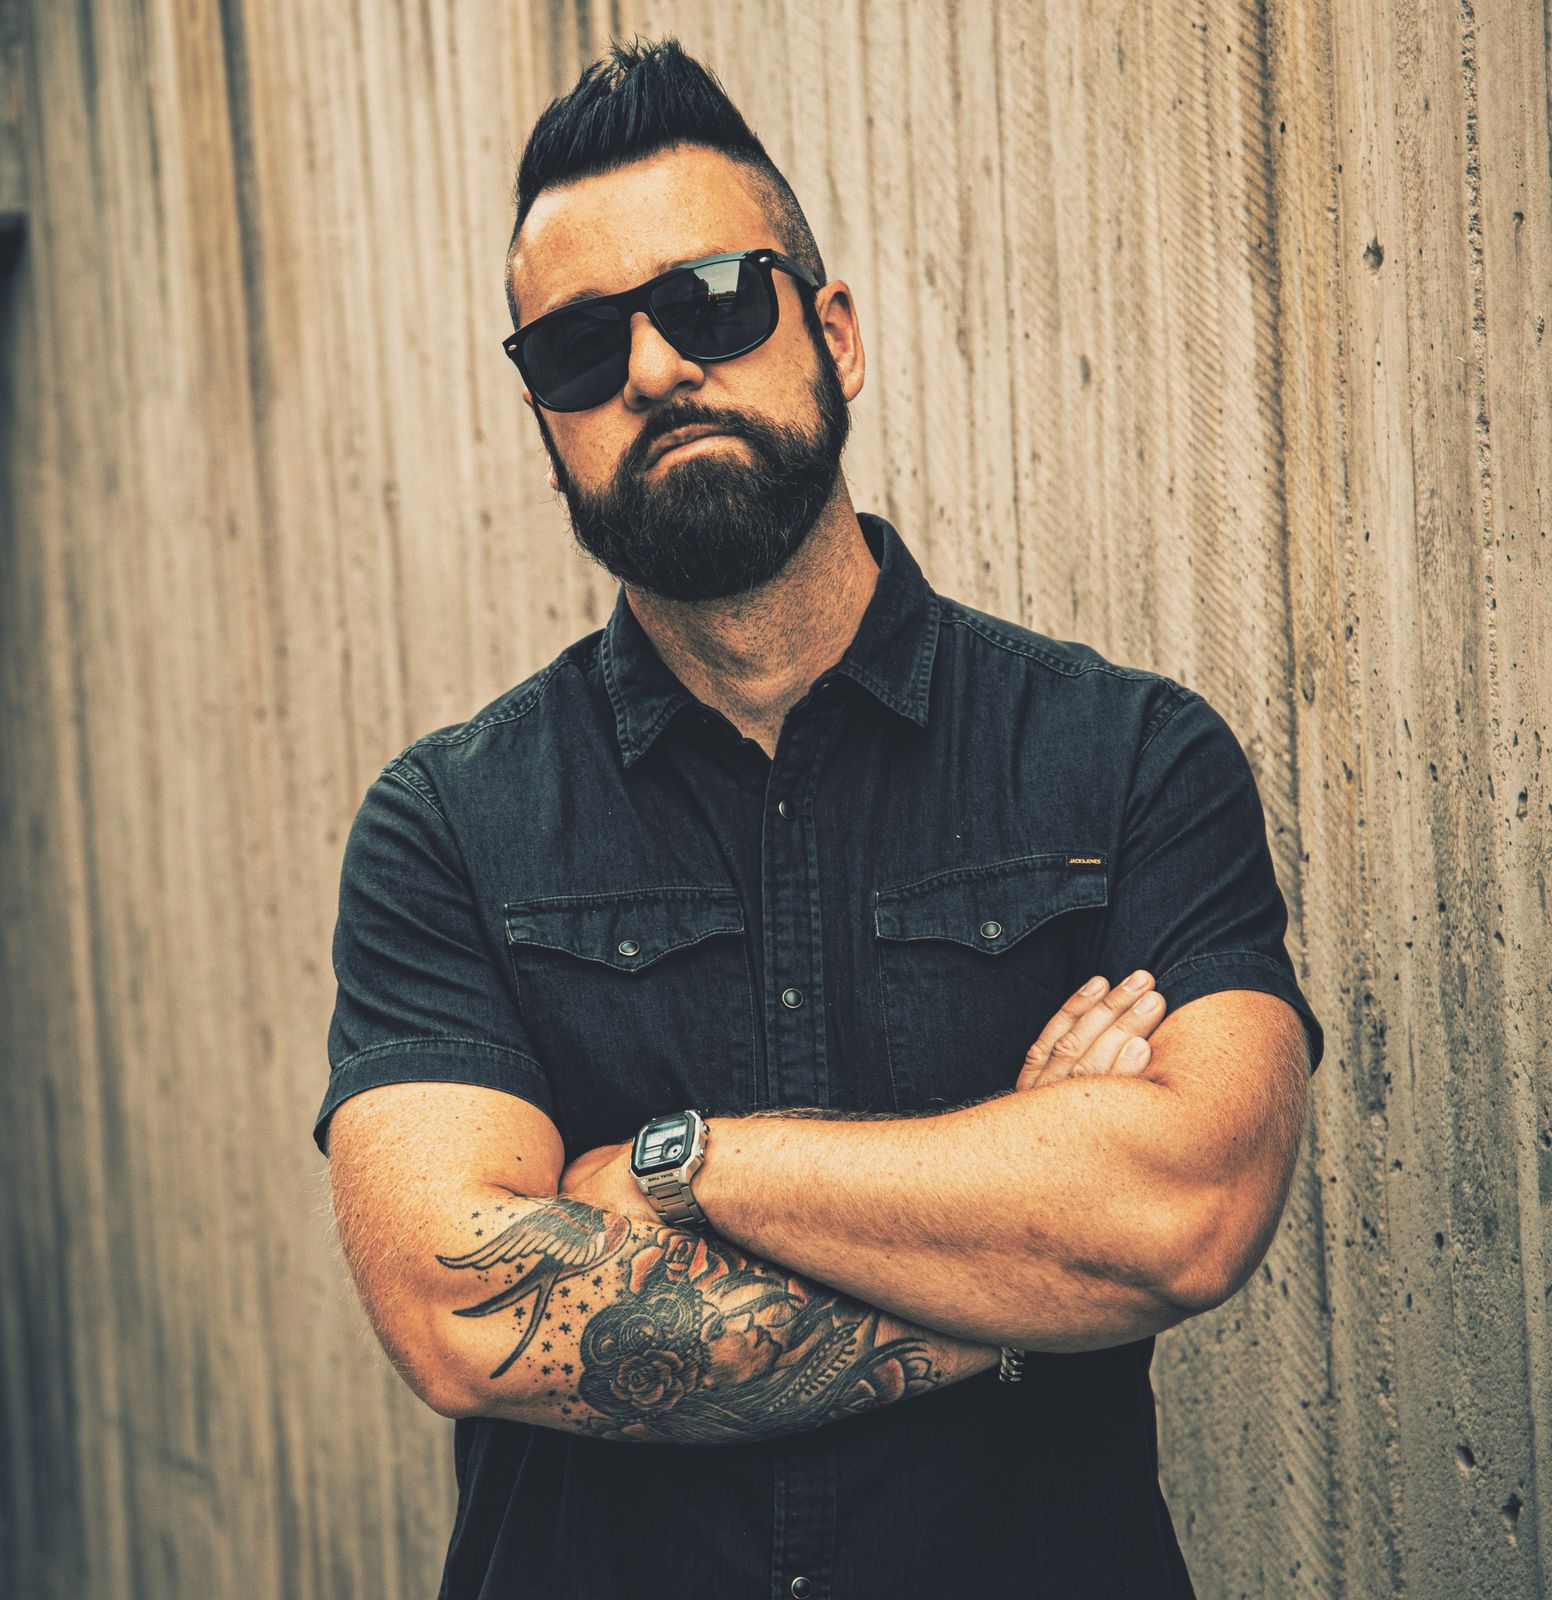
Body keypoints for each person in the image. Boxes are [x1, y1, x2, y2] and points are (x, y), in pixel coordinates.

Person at [313, 35, 1324, 1600]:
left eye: (712, 300)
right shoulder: (446, 827)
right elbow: (471, 1314)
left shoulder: (1127, 761)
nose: (655, 370)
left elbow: (1186, 1211)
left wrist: (676, 1168)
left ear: (833, 333)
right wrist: (1028, 1280)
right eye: (578, 350)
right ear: (545, 424)